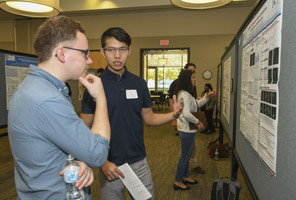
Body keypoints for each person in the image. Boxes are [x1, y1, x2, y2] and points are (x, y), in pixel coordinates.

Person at [8, 16, 111, 200]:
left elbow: (59, 140)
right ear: (62, 54)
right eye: (85, 53)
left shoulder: (35, 88)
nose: (89, 61)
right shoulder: (47, 99)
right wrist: (101, 98)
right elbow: (97, 154)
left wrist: (81, 158)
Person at [80, 27, 183, 200]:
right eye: (111, 50)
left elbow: (149, 118)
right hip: (110, 165)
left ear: (129, 51)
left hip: (138, 162)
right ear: (103, 52)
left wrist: (172, 115)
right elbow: (83, 128)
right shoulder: (95, 85)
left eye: (122, 49)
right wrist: (102, 162)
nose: (117, 55)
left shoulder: (139, 83)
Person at [173, 70, 215, 190]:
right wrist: (199, 122)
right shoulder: (185, 94)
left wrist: (207, 97)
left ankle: (185, 176)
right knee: (185, 157)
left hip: (187, 129)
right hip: (186, 130)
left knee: (186, 155)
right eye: (193, 77)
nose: (195, 79)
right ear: (187, 80)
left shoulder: (185, 93)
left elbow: (195, 104)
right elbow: (186, 113)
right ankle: (178, 181)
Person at [168, 63, 205, 174]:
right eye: (191, 72)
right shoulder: (178, 86)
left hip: (190, 123)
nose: (193, 76)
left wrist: (206, 98)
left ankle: (189, 169)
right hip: (185, 123)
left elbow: (193, 101)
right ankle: (182, 175)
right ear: (185, 72)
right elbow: (172, 101)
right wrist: (173, 118)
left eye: (194, 71)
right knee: (185, 153)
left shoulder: (189, 87)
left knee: (190, 148)